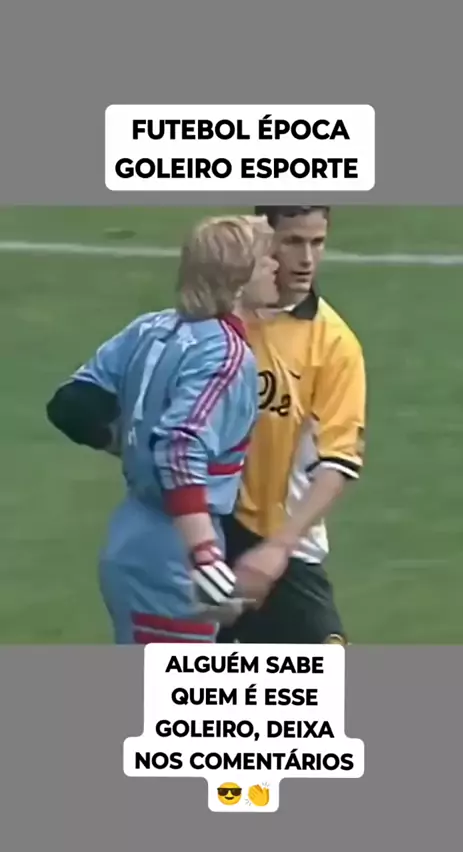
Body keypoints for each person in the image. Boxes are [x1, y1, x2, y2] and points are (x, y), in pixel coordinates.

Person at [46, 215, 279, 644]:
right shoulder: (227, 355)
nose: (276, 266)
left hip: (129, 538)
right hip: (173, 554)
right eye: (266, 259)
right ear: (239, 277)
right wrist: (203, 553)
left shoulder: (153, 328)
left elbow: (72, 405)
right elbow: (179, 447)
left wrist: (129, 443)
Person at [218, 205, 367, 646]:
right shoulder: (218, 323)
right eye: (293, 242)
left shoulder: (333, 344)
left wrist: (278, 548)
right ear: (265, 241)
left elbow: (338, 462)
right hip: (206, 536)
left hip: (283, 548)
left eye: (317, 243)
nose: (306, 259)